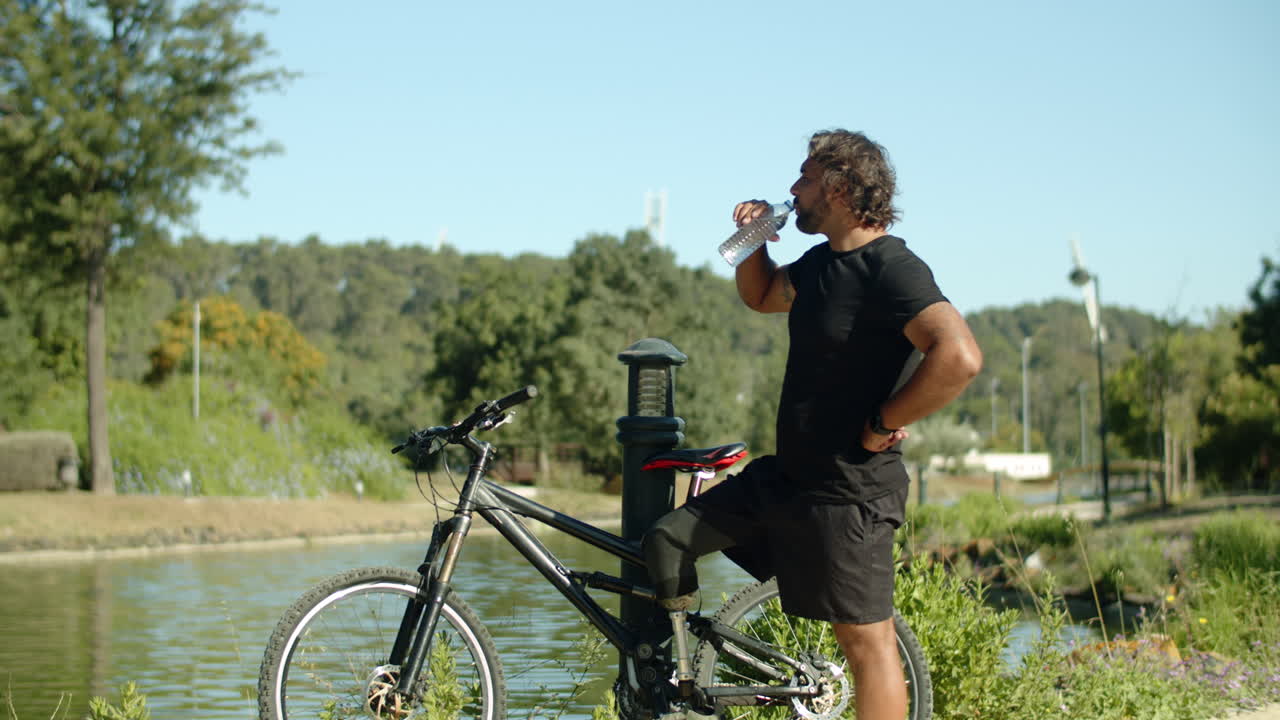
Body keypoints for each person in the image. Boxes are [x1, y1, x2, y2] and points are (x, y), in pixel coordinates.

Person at [642, 129, 982, 720]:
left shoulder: (892, 268)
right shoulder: (823, 263)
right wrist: (754, 241)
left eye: (804, 177)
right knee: (668, 539)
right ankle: (686, 688)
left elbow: (959, 356)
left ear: (841, 187)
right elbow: (766, 295)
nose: (793, 190)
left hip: (850, 493)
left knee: (864, 642)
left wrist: (884, 420)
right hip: (787, 482)